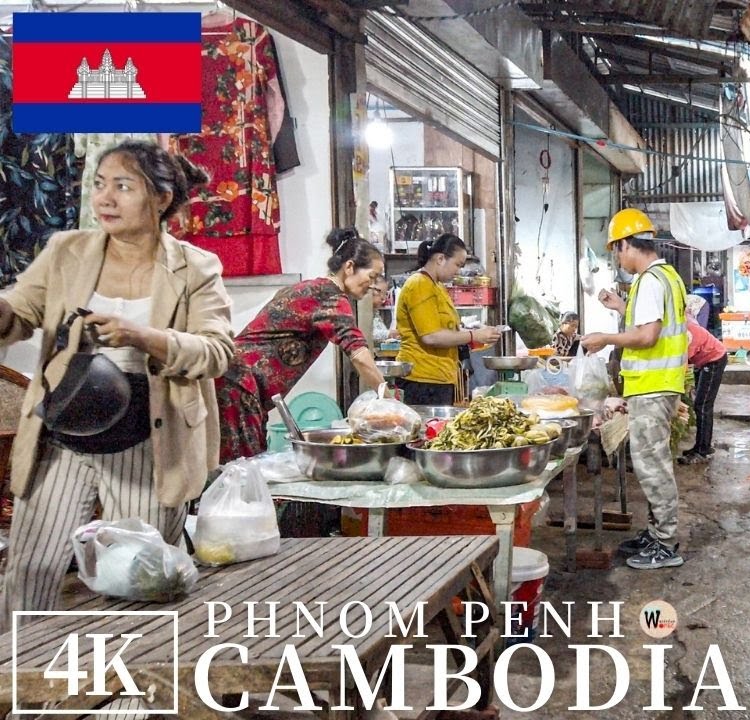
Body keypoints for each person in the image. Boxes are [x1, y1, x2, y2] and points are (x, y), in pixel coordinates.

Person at [0, 140, 235, 626]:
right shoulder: (67, 251)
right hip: (66, 429)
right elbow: (20, 314)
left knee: (140, 576)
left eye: (122, 187)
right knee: (31, 569)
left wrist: (143, 336)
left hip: (149, 434)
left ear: (161, 198)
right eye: (100, 185)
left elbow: (217, 352)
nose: (104, 199)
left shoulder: (195, 267)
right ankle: (22, 695)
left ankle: (133, 700)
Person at [216, 228, 387, 463]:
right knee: (242, 470)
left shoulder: (311, 288)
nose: (373, 285)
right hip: (239, 385)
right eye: (372, 276)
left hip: (233, 381)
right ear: (349, 267)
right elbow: (358, 353)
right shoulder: (331, 297)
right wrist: (387, 399)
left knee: (242, 463)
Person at [581, 208, 689, 570]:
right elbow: (652, 322)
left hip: (653, 386)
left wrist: (604, 338)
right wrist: (621, 307)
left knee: (653, 465)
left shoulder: (649, 280)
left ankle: (665, 542)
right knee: (652, 463)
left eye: (616, 249)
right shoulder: (667, 276)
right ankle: (657, 530)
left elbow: (647, 335)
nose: (616, 257)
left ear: (628, 243)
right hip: (661, 384)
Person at [396, 233, 501, 406]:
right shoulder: (419, 284)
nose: (458, 271)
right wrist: (473, 335)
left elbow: (447, 329)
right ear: (440, 259)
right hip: (422, 379)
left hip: (440, 377)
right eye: (457, 265)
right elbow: (431, 336)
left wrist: (476, 335)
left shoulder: (436, 286)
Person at [678, 293, 727, 465]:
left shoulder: (686, 333)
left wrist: (678, 390)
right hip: (707, 359)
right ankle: (701, 446)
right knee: (701, 405)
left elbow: (682, 365)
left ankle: (703, 450)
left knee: (703, 405)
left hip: (714, 360)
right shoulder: (682, 325)